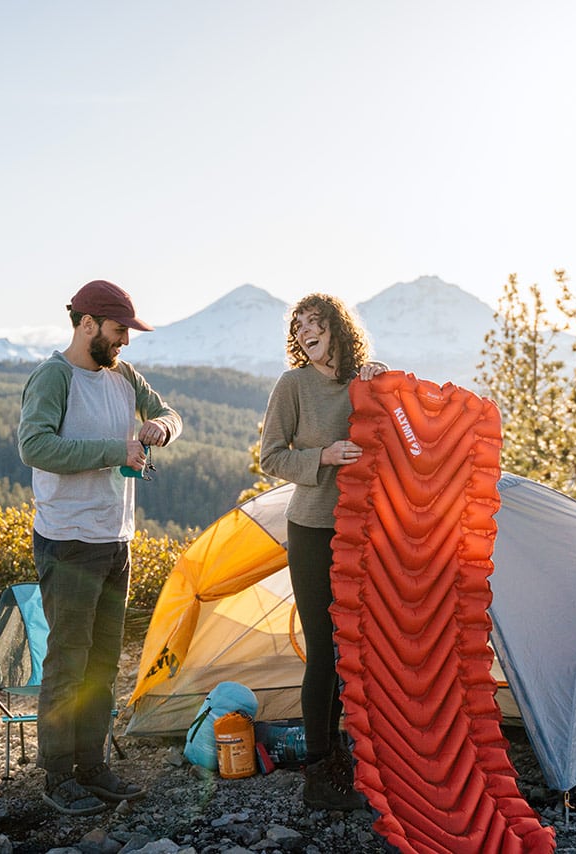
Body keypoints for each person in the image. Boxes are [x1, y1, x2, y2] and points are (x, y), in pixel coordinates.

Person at [18, 279, 182, 817]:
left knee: (104, 659)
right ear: (87, 324)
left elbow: (171, 416)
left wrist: (158, 425)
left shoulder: (124, 376)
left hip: (116, 539)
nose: (126, 343)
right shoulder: (54, 377)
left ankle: (92, 766)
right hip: (67, 539)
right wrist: (119, 447)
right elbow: (36, 446)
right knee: (68, 660)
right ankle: (57, 774)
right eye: (118, 331)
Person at [258, 293, 385, 811]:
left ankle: (361, 762)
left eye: (317, 322)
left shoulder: (364, 381)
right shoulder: (293, 385)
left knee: (361, 652)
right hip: (312, 531)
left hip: (364, 534)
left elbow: (403, 426)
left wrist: (385, 379)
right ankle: (319, 773)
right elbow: (271, 456)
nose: (307, 331)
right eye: (300, 325)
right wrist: (324, 457)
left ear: (338, 328)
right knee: (324, 653)